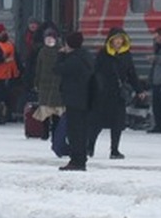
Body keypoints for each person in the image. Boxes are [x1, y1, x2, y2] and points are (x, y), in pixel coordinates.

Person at [89, 27, 144, 159]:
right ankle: (89, 147)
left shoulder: (126, 55)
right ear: (111, 40)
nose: (118, 42)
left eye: (121, 39)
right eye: (116, 39)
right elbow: (95, 73)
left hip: (118, 95)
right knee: (97, 123)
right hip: (102, 93)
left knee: (117, 124)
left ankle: (114, 150)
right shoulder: (103, 54)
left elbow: (132, 74)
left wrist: (139, 90)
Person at [57, 32, 95, 171]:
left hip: (75, 99)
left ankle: (76, 161)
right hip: (85, 98)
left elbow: (58, 69)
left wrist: (61, 55)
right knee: (81, 131)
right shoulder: (86, 56)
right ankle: (80, 158)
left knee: (75, 131)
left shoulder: (74, 59)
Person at [33, 28, 64, 141]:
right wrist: (36, 82)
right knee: (44, 110)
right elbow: (38, 68)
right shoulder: (42, 51)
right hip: (44, 84)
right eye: (47, 38)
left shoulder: (61, 51)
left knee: (56, 111)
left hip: (57, 84)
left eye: (51, 38)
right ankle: (45, 132)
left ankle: (55, 132)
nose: (49, 41)